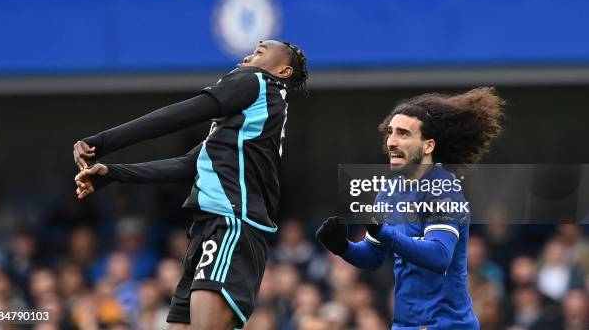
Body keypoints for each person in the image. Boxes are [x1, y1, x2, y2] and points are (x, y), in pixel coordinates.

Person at [72, 40, 308, 329]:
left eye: (260, 53)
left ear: (282, 71)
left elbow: (182, 113)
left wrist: (101, 143)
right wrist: (111, 173)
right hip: (208, 227)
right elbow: (186, 165)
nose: (248, 56)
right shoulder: (245, 124)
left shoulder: (258, 82)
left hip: (232, 224)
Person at [316, 87, 504, 329]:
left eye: (403, 134)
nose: (392, 142)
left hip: (445, 325)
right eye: (390, 133)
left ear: (428, 146)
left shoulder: (442, 189)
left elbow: (439, 256)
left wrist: (383, 231)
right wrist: (342, 247)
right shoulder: (388, 192)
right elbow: (374, 256)